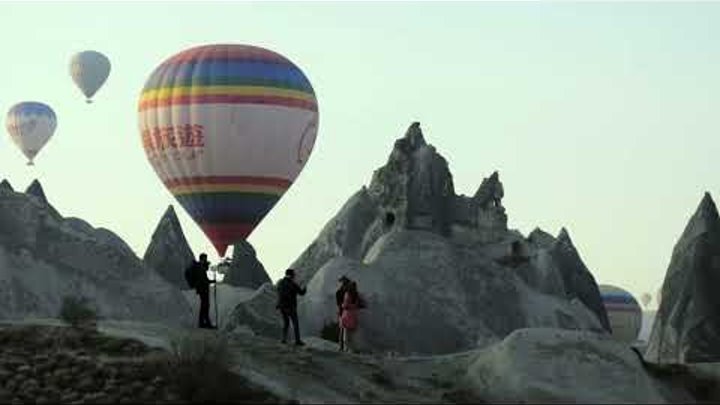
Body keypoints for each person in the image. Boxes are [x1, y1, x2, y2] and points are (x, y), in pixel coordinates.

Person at [276, 268, 307, 346]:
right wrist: (305, 288)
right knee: (295, 323)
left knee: (286, 323)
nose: (294, 276)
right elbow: (301, 293)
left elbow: (278, 292)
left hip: (282, 306)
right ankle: (297, 340)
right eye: (293, 274)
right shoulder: (292, 284)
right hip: (291, 306)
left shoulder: (280, 283)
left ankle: (283, 339)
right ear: (291, 275)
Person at [193, 253, 216, 329]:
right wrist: (211, 282)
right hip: (203, 289)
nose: (206, 260)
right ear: (202, 259)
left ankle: (203, 322)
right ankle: (205, 323)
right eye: (205, 258)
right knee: (205, 306)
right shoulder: (201, 268)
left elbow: (204, 279)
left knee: (204, 306)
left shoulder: (200, 267)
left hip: (202, 289)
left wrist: (211, 281)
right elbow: (203, 280)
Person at [340, 281, 362, 353]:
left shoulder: (347, 294)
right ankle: (351, 348)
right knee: (352, 334)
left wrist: (342, 305)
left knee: (346, 334)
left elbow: (345, 305)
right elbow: (358, 304)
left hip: (347, 315)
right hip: (353, 315)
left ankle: (347, 348)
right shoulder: (357, 295)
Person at [336, 276, 352, 351]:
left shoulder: (341, 292)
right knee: (343, 330)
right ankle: (342, 346)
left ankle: (342, 346)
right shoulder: (341, 292)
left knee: (343, 330)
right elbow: (339, 304)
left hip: (344, 312)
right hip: (343, 312)